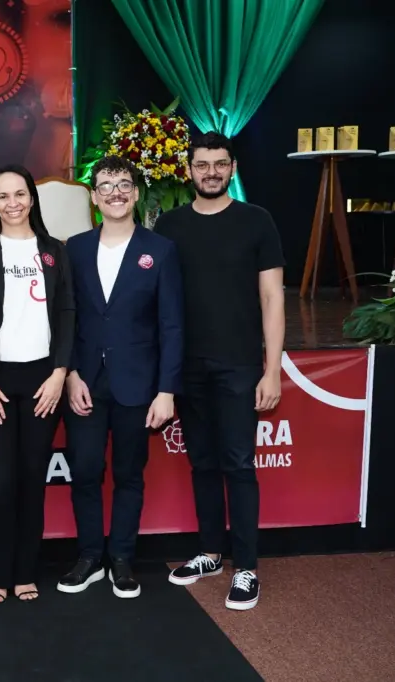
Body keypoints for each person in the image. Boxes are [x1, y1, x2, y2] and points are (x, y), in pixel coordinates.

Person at [155, 132, 285, 611]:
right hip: (186, 367)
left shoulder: (257, 221)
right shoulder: (168, 226)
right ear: (188, 170)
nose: (211, 171)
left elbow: (273, 298)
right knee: (202, 464)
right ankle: (211, 552)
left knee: (238, 464)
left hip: (239, 366)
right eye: (202, 164)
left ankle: (246, 566)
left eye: (219, 164)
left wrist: (271, 370)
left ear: (232, 168)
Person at [56, 156, 183, 599]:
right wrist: (69, 373)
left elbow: (171, 325)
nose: (115, 193)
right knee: (86, 471)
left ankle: (122, 559)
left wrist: (167, 390)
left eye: (123, 184)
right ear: (93, 196)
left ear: (136, 191)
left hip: (138, 385)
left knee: (130, 474)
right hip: (85, 382)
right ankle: (90, 557)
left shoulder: (160, 250)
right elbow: (64, 319)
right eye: (105, 185)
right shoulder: (73, 248)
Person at [0, 165, 75, 604]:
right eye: (3, 196)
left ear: (32, 198)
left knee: (32, 477)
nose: (13, 203)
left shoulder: (53, 251)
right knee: (3, 479)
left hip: (44, 379)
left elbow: (67, 314)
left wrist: (60, 374)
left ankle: (26, 571)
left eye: (20, 194)